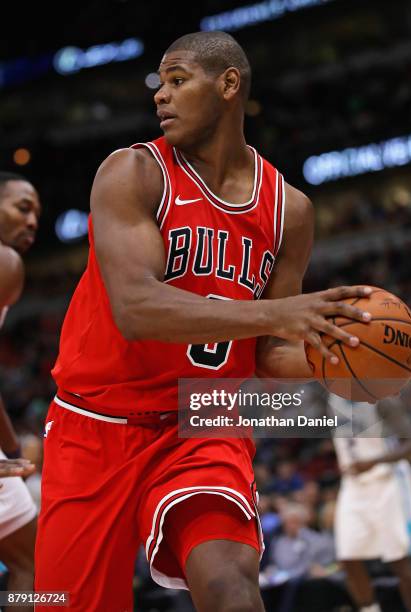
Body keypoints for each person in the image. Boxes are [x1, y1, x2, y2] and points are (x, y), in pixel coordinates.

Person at [35, 31, 375, 612]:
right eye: (159, 85)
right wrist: (280, 312)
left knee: (230, 588)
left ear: (228, 84)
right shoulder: (131, 173)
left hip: (204, 419)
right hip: (95, 422)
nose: (160, 97)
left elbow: (266, 351)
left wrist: (339, 359)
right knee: (56, 602)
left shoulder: (289, 210)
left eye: (177, 79)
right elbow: (137, 310)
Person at [330, 393, 411, 612]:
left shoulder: (382, 398)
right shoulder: (333, 401)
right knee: (348, 557)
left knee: (398, 561)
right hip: (353, 485)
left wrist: (373, 461)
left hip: (388, 481)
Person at [0, 172, 40, 608]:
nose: (32, 222)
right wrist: (11, 449)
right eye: (22, 207)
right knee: (35, 569)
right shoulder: (5, 262)